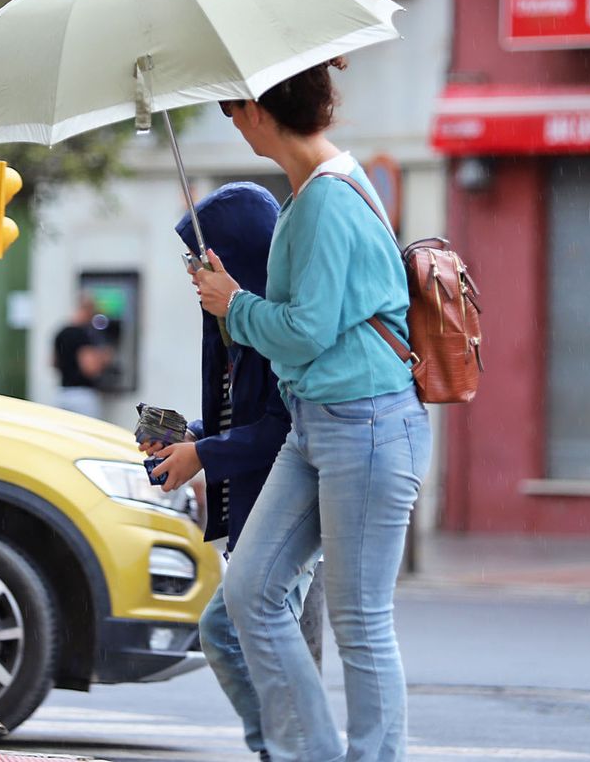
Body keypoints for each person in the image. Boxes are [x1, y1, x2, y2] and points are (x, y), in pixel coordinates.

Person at [193, 60, 431, 762]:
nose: (232, 125)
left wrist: (233, 305)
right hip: (318, 426)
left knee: (360, 623)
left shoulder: (326, 199)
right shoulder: (312, 192)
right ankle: (311, 753)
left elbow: (307, 330)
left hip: (365, 426)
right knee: (251, 591)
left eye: (232, 110)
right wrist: (236, 302)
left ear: (260, 110)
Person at [141, 181, 321, 762]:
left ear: (235, 253)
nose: (193, 271)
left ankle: (288, 752)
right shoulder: (225, 321)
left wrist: (205, 456)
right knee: (261, 642)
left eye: (200, 257)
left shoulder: (274, 321)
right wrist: (190, 437)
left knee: (234, 633)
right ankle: (288, 750)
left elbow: (281, 426)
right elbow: (236, 410)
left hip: (288, 502)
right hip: (257, 502)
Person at [51, 293, 113, 417]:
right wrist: (103, 358)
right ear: (89, 310)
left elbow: (53, 362)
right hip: (83, 396)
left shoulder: (61, 332)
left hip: (63, 393)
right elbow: (89, 368)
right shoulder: (83, 334)